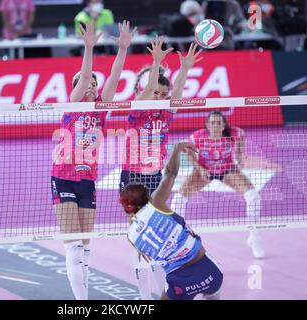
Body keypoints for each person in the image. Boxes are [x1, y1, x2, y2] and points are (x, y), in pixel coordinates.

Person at [51, 21, 135, 300]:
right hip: (63, 177)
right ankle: (81, 302)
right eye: (85, 83)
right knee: (73, 248)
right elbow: (86, 77)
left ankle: (82, 295)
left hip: (87, 181)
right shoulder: (73, 106)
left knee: (85, 250)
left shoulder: (101, 109)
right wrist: (89, 48)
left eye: (93, 84)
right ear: (76, 88)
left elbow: (115, 74)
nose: (90, 86)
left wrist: (122, 49)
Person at [120, 40, 202, 299]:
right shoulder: (137, 111)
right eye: (154, 93)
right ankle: (145, 298)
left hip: (155, 178)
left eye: (161, 95)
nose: (158, 98)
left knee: (160, 244)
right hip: (133, 179)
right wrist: (156, 63)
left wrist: (184, 67)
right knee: (142, 244)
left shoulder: (166, 113)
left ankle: (160, 292)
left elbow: (175, 93)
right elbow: (147, 90)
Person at [119, 141, 223, 300]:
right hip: (210, 272)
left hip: (180, 284)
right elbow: (170, 172)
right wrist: (176, 149)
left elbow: (144, 245)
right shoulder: (156, 204)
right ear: (147, 196)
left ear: (128, 206)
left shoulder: (131, 236)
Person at [172, 111, 265, 258]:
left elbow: (242, 137)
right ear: (207, 125)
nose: (216, 125)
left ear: (223, 125)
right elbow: (188, 153)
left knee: (253, 196)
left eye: (219, 123)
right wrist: (200, 169)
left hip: (227, 170)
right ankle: (179, 239)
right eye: (212, 123)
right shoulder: (198, 137)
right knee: (178, 200)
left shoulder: (234, 134)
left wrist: (239, 156)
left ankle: (254, 237)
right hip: (205, 170)